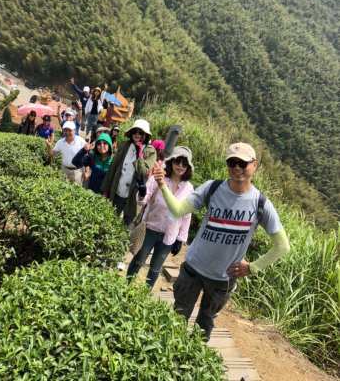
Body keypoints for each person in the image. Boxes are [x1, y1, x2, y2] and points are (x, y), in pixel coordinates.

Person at [153, 142, 290, 340]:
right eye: (232, 163)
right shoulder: (212, 188)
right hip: (193, 269)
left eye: (242, 163)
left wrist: (253, 267)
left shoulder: (260, 203)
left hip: (222, 280)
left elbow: (282, 246)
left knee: (203, 329)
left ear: (254, 165)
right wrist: (162, 185)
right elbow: (178, 210)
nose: (236, 168)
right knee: (175, 322)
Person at [127, 146, 194, 289]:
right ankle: (126, 286)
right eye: (178, 162)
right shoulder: (158, 177)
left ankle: (145, 293)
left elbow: (186, 215)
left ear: (188, 167)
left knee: (156, 268)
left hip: (169, 235)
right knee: (139, 260)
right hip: (150, 228)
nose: (180, 166)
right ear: (171, 162)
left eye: (184, 163)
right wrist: (142, 192)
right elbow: (143, 200)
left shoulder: (188, 188)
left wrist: (180, 239)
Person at [101, 119, 157, 226]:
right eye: (135, 131)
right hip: (118, 189)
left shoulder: (150, 151)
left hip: (133, 195)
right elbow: (113, 167)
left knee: (126, 224)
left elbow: (144, 172)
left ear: (145, 135)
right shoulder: (125, 145)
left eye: (140, 132)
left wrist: (139, 153)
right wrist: (105, 189)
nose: (137, 134)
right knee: (109, 220)